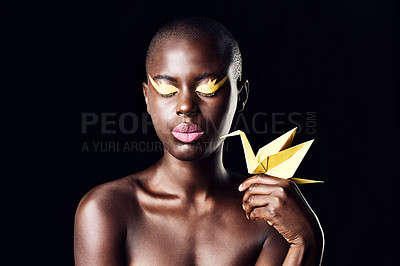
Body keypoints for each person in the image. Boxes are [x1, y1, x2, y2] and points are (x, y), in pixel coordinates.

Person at [74, 17, 324, 265]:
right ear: (147, 97)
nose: (185, 106)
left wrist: (306, 240)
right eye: (167, 91)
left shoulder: (269, 212)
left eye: (207, 90)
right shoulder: (105, 211)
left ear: (242, 96)